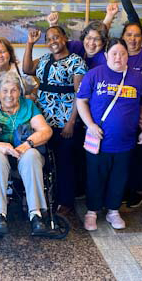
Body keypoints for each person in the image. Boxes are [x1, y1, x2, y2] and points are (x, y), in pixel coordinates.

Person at [76, 38, 142, 231]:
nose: (118, 57)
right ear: (106, 55)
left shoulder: (138, 78)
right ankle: (92, 211)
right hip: (98, 139)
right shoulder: (94, 74)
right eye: (114, 53)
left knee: (119, 177)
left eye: (123, 53)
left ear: (128, 56)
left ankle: (113, 211)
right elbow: (81, 101)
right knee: (95, 177)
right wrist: (90, 124)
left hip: (125, 141)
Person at [0, 72, 53, 235]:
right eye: (5, 91)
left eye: (13, 90)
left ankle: (35, 214)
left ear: (19, 92)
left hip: (23, 155)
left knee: (32, 156)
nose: (9, 95)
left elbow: (46, 130)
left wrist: (27, 144)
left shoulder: (28, 106)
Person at [23, 27, 88, 215]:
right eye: (49, 38)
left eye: (56, 37)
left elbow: (80, 94)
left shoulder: (76, 62)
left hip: (64, 121)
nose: (53, 41)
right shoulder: (44, 59)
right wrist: (30, 43)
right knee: (45, 161)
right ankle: (43, 199)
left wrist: (71, 122)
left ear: (65, 38)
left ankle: (66, 201)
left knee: (65, 162)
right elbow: (27, 69)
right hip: (43, 121)